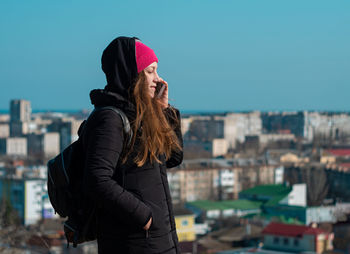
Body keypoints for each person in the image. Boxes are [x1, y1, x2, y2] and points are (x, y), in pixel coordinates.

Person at [82, 36, 183, 253]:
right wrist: (144, 216)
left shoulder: (141, 116)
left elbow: (173, 158)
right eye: (150, 71)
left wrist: (163, 112)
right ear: (131, 74)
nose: (158, 79)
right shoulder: (110, 118)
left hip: (158, 240)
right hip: (133, 242)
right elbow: (97, 179)